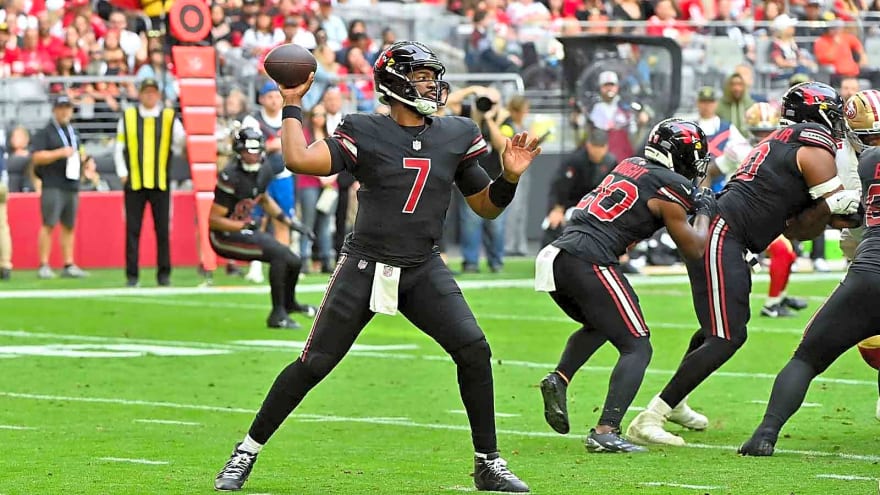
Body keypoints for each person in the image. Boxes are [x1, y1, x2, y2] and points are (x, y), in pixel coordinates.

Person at [213, 40, 539, 493]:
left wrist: (509, 177)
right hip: (365, 266)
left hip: (423, 266)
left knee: (474, 349)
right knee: (313, 365)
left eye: (432, 76)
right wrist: (292, 105)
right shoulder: (363, 128)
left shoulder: (457, 132)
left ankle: (488, 463)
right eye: (422, 76)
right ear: (394, 82)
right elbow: (299, 159)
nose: (432, 84)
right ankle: (245, 452)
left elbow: (486, 208)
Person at [626, 82, 862, 446]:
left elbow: (801, 228)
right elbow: (809, 228)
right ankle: (650, 416)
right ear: (818, 116)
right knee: (726, 336)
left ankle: (676, 402)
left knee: (714, 328)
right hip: (726, 234)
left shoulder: (782, 142)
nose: (835, 123)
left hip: (729, 233)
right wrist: (837, 207)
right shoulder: (814, 153)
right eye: (831, 115)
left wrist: (832, 211)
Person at [536, 118, 717, 453]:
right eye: (693, 154)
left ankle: (559, 378)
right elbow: (694, 247)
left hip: (557, 255)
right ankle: (606, 430)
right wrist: (704, 210)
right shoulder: (671, 184)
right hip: (589, 258)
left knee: (600, 324)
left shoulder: (629, 164)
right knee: (638, 345)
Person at [738, 89, 880, 456]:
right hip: (863, 262)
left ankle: (765, 434)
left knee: (806, 357)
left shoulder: (863, 164)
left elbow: (845, 215)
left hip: (867, 273)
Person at [208, 126, 317, 330]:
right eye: (249, 151)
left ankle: (289, 304)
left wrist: (291, 223)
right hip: (223, 237)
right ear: (239, 151)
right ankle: (277, 314)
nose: (253, 155)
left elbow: (264, 199)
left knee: (293, 260)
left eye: (256, 150)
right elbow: (214, 220)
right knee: (278, 255)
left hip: (243, 229)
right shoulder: (230, 175)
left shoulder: (265, 168)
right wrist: (242, 224)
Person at [736, 102, 809, 318]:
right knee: (782, 252)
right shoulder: (739, 150)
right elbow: (713, 172)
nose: (764, 137)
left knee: (788, 254)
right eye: (759, 133)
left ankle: (779, 296)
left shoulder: (782, 149)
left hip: (769, 213)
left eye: (768, 132)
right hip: (748, 215)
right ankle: (771, 305)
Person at [114, 78, 186, 287]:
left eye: (153, 92)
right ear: (140, 94)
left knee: (163, 230)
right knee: (132, 230)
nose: (149, 96)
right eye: (146, 92)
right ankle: (132, 275)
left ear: (158, 95)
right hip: (134, 182)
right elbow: (119, 146)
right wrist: (122, 171)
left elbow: (181, 143)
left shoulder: (169, 118)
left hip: (160, 182)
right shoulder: (128, 117)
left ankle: (164, 274)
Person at [242, 81, 296, 284]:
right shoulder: (252, 120)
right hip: (259, 175)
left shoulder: (288, 119)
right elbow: (247, 147)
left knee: (283, 220)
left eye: (276, 96)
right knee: (257, 220)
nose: (274, 100)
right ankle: (255, 265)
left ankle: (285, 261)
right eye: (269, 96)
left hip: (282, 175)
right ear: (261, 99)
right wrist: (270, 146)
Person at [30, 95, 89, 279]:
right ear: (55, 110)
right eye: (61, 108)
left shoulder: (74, 133)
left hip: (71, 183)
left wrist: (85, 162)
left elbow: (79, 153)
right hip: (52, 184)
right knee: (49, 224)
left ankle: (68, 263)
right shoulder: (45, 132)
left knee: (69, 226)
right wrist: (59, 153)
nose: (65, 112)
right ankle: (44, 264)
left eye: (68, 108)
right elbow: (36, 157)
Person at [543, 128, 616, 245]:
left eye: (601, 147)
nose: (598, 151)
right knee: (554, 225)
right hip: (570, 204)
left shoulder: (611, 163)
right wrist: (557, 209)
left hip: (597, 207)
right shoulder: (575, 160)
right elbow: (561, 185)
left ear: (606, 147)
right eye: (595, 146)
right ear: (588, 145)